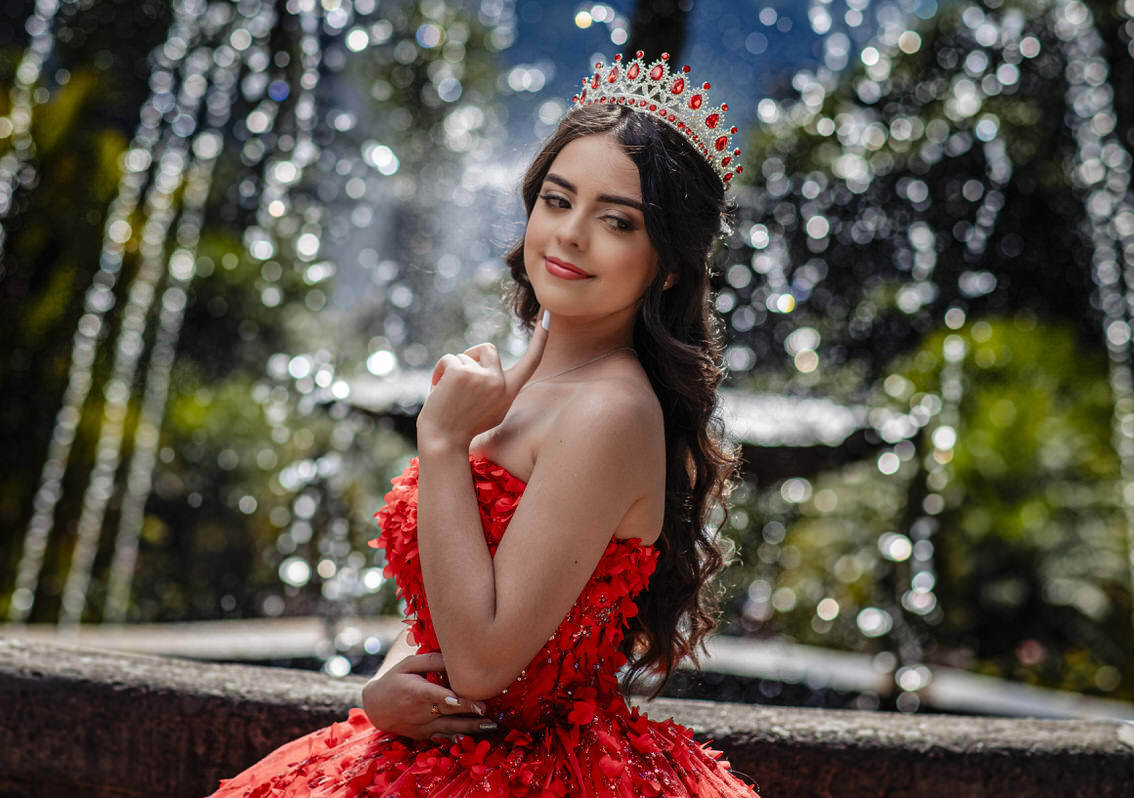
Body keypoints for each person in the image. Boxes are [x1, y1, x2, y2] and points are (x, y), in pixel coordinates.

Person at [208, 51, 758, 797]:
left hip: (536, 771)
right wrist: (383, 688)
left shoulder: (612, 409)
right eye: (557, 201)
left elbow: (483, 664)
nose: (570, 235)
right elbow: (446, 606)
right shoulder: (525, 376)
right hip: (436, 749)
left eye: (616, 221)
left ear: (666, 265)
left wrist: (441, 444)